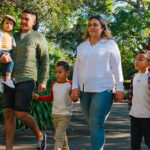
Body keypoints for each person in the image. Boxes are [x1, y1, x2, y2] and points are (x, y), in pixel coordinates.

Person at [71, 15, 124, 150]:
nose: (92, 27)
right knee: (93, 124)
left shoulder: (110, 44)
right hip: (84, 91)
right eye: (90, 25)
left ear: (102, 28)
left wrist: (120, 87)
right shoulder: (82, 46)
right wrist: (74, 87)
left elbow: (117, 67)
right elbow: (77, 68)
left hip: (103, 90)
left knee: (96, 124)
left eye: (95, 24)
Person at [1, 9, 49, 150]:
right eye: (21, 18)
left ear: (34, 22)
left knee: (21, 113)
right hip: (9, 78)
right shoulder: (11, 36)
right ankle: (9, 148)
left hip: (27, 77)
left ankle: (40, 136)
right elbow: (3, 52)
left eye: (26, 19)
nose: (23, 21)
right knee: (8, 114)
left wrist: (43, 80)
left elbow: (44, 60)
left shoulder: (38, 37)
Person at [33, 61, 73, 150]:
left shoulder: (70, 84)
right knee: (62, 135)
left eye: (60, 72)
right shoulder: (54, 84)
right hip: (55, 114)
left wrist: (76, 96)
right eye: (56, 72)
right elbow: (51, 98)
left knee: (58, 136)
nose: (57, 74)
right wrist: (39, 97)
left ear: (67, 73)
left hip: (65, 114)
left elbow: (74, 98)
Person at [128, 50, 150, 150]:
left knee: (148, 142)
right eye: (136, 59)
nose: (137, 61)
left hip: (148, 117)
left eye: (141, 59)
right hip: (134, 116)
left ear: (148, 64)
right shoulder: (134, 77)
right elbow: (132, 94)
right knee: (134, 144)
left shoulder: (149, 77)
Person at [0, 15, 16, 91]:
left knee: (6, 68)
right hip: (1, 51)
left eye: (11, 24)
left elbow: (13, 43)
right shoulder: (1, 32)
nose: (8, 25)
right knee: (11, 63)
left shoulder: (11, 34)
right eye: (6, 23)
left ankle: (1, 82)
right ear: (2, 24)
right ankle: (8, 79)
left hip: (9, 51)